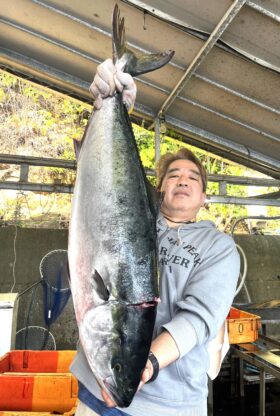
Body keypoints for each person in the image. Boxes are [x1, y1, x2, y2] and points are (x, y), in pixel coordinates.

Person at [71, 59, 240, 416]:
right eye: (173, 174)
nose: (182, 180)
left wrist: (149, 361)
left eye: (192, 177)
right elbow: (97, 182)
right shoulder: (138, 213)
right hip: (93, 390)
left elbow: (200, 318)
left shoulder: (219, 248)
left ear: (204, 196)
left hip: (168, 406)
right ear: (159, 189)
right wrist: (108, 106)